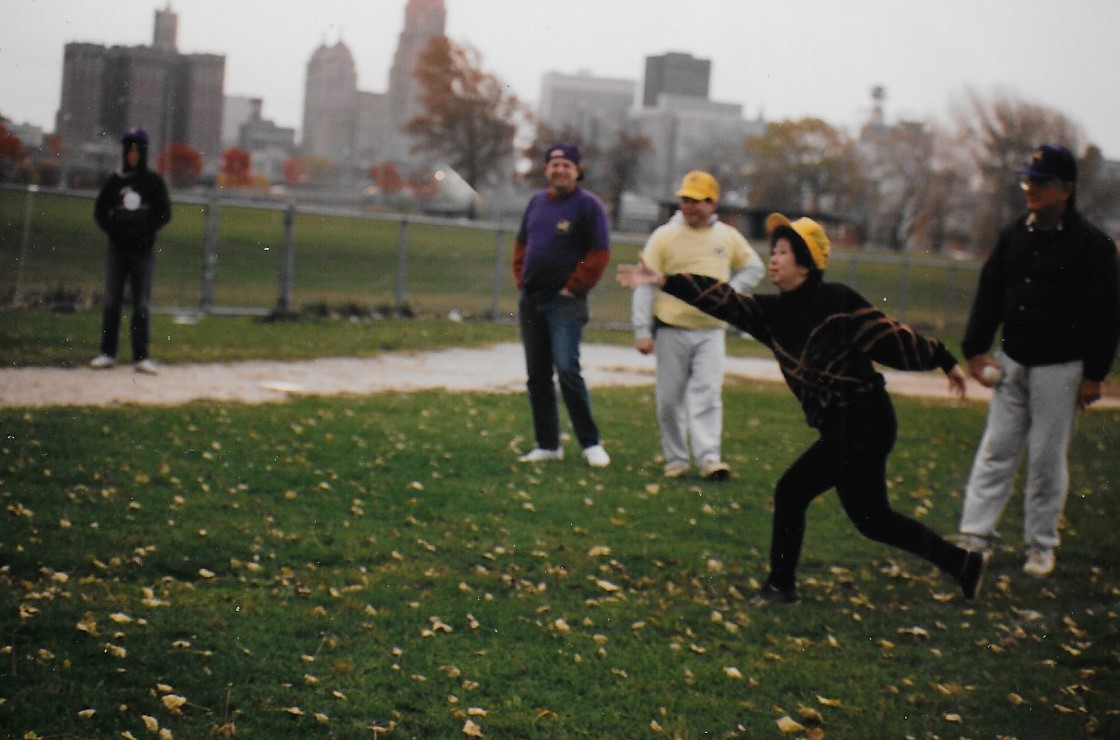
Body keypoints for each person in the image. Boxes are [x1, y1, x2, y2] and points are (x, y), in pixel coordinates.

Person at [617, 213, 988, 603]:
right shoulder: (773, 314)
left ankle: (781, 586)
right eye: (773, 251)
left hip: (865, 419)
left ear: (807, 262)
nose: (773, 259)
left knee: (791, 491)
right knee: (872, 520)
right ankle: (963, 564)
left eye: (783, 252)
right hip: (844, 427)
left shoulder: (838, 302)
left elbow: (889, 338)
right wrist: (664, 280)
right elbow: (724, 300)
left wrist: (943, 359)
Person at [957, 145, 1119, 578]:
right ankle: (975, 536)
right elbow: (990, 293)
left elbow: (1105, 314)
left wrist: (1095, 374)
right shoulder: (1015, 234)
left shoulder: (1092, 245)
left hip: (1061, 369)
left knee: (1047, 460)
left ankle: (1040, 546)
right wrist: (975, 348)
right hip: (1013, 361)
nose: (1030, 188)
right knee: (996, 450)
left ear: (1066, 190)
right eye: (1028, 180)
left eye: (1040, 182)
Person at [632, 171, 764, 480]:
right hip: (671, 328)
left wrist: (728, 294)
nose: (689, 206)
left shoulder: (727, 236)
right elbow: (644, 283)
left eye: (697, 201)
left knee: (707, 394)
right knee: (669, 399)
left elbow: (754, 266)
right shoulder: (664, 236)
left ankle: (709, 459)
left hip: (711, 330)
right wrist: (641, 330)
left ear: (712, 203)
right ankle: (676, 459)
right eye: (685, 200)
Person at [512, 143, 611, 467]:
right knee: (537, 375)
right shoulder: (537, 203)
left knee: (567, 369)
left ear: (577, 170)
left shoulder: (588, 206)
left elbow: (599, 254)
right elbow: (522, 245)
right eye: (554, 165)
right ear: (546, 170)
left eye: (566, 165)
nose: (559, 170)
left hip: (564, 302)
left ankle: (590, 443)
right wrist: (523, 279)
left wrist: (574, 285)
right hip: (532, 300)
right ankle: (548, 444)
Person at [90, 127, 173, 374]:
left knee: (141, 304)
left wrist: (146, 230)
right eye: (130, 149)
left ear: (144, 152)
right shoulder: (115, 182)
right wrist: (114, 229)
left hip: (143, 252)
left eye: (137, 149)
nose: (133, 154)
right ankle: (107, 353)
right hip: (117, 250)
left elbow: (164, 213)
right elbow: (100, 212)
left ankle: (141, 357)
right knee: (111, 301)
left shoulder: (153, 182)